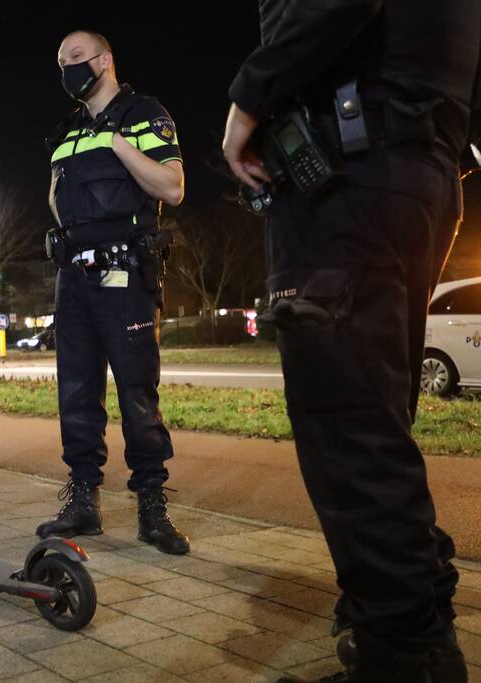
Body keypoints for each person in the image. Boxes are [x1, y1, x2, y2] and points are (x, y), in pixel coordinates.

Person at [222, 3, 479, 681]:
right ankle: (423, 643)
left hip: (350, 177)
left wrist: (250, 95)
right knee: (376, 432)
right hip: (408, 168)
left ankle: (401, 661)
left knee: (350, 443)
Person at [36, 30, 190, 556]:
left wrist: (117, 144)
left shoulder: (144, 114)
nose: (67, 69)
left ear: (104, 60)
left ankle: (151, 505)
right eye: (60, 63)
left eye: (76, 58)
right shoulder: (66, 129)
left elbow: (172, 186)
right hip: (73, 279)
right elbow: (56, 198)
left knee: (137, 395)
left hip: (125, 276)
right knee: (76, 395)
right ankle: (84, 501)